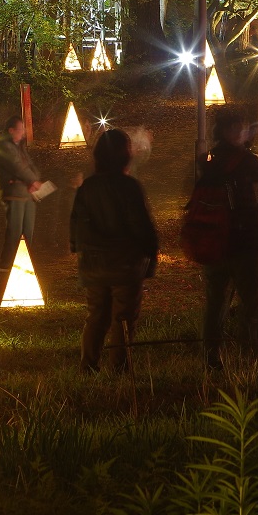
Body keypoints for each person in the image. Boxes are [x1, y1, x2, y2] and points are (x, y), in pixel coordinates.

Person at [69, 129, 158, 373]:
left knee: (96, 315)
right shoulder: (128, 187)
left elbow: (76, 222)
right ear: (125, 156)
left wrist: (78, 248)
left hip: (93, 263)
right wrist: (151, 254)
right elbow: (142, 225)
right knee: (123, 319)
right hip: (125, 263)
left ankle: (88, 365)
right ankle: (119, 368)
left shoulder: (88, 187)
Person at [195, 112, 258, 369]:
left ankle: (211, 355)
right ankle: (249, 356)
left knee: (215, 303)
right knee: (252, 303)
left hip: (214, 240)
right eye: (241, 127)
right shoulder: (248, 162)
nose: (245, 132)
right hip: (244, 241)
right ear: (230, 130)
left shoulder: (208, 161)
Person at [0, 114, 44, 270]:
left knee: (28, 230)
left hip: (27, 194)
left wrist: (35, 180)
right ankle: (6, 264)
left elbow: (29, 166)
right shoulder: (4, 146)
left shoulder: (18, 146)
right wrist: (33, 181)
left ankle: (23, 262)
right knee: (15, 230)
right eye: (20, 129)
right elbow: (17, 166)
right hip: (13, 193)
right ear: (11, 130)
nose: (23, 132)